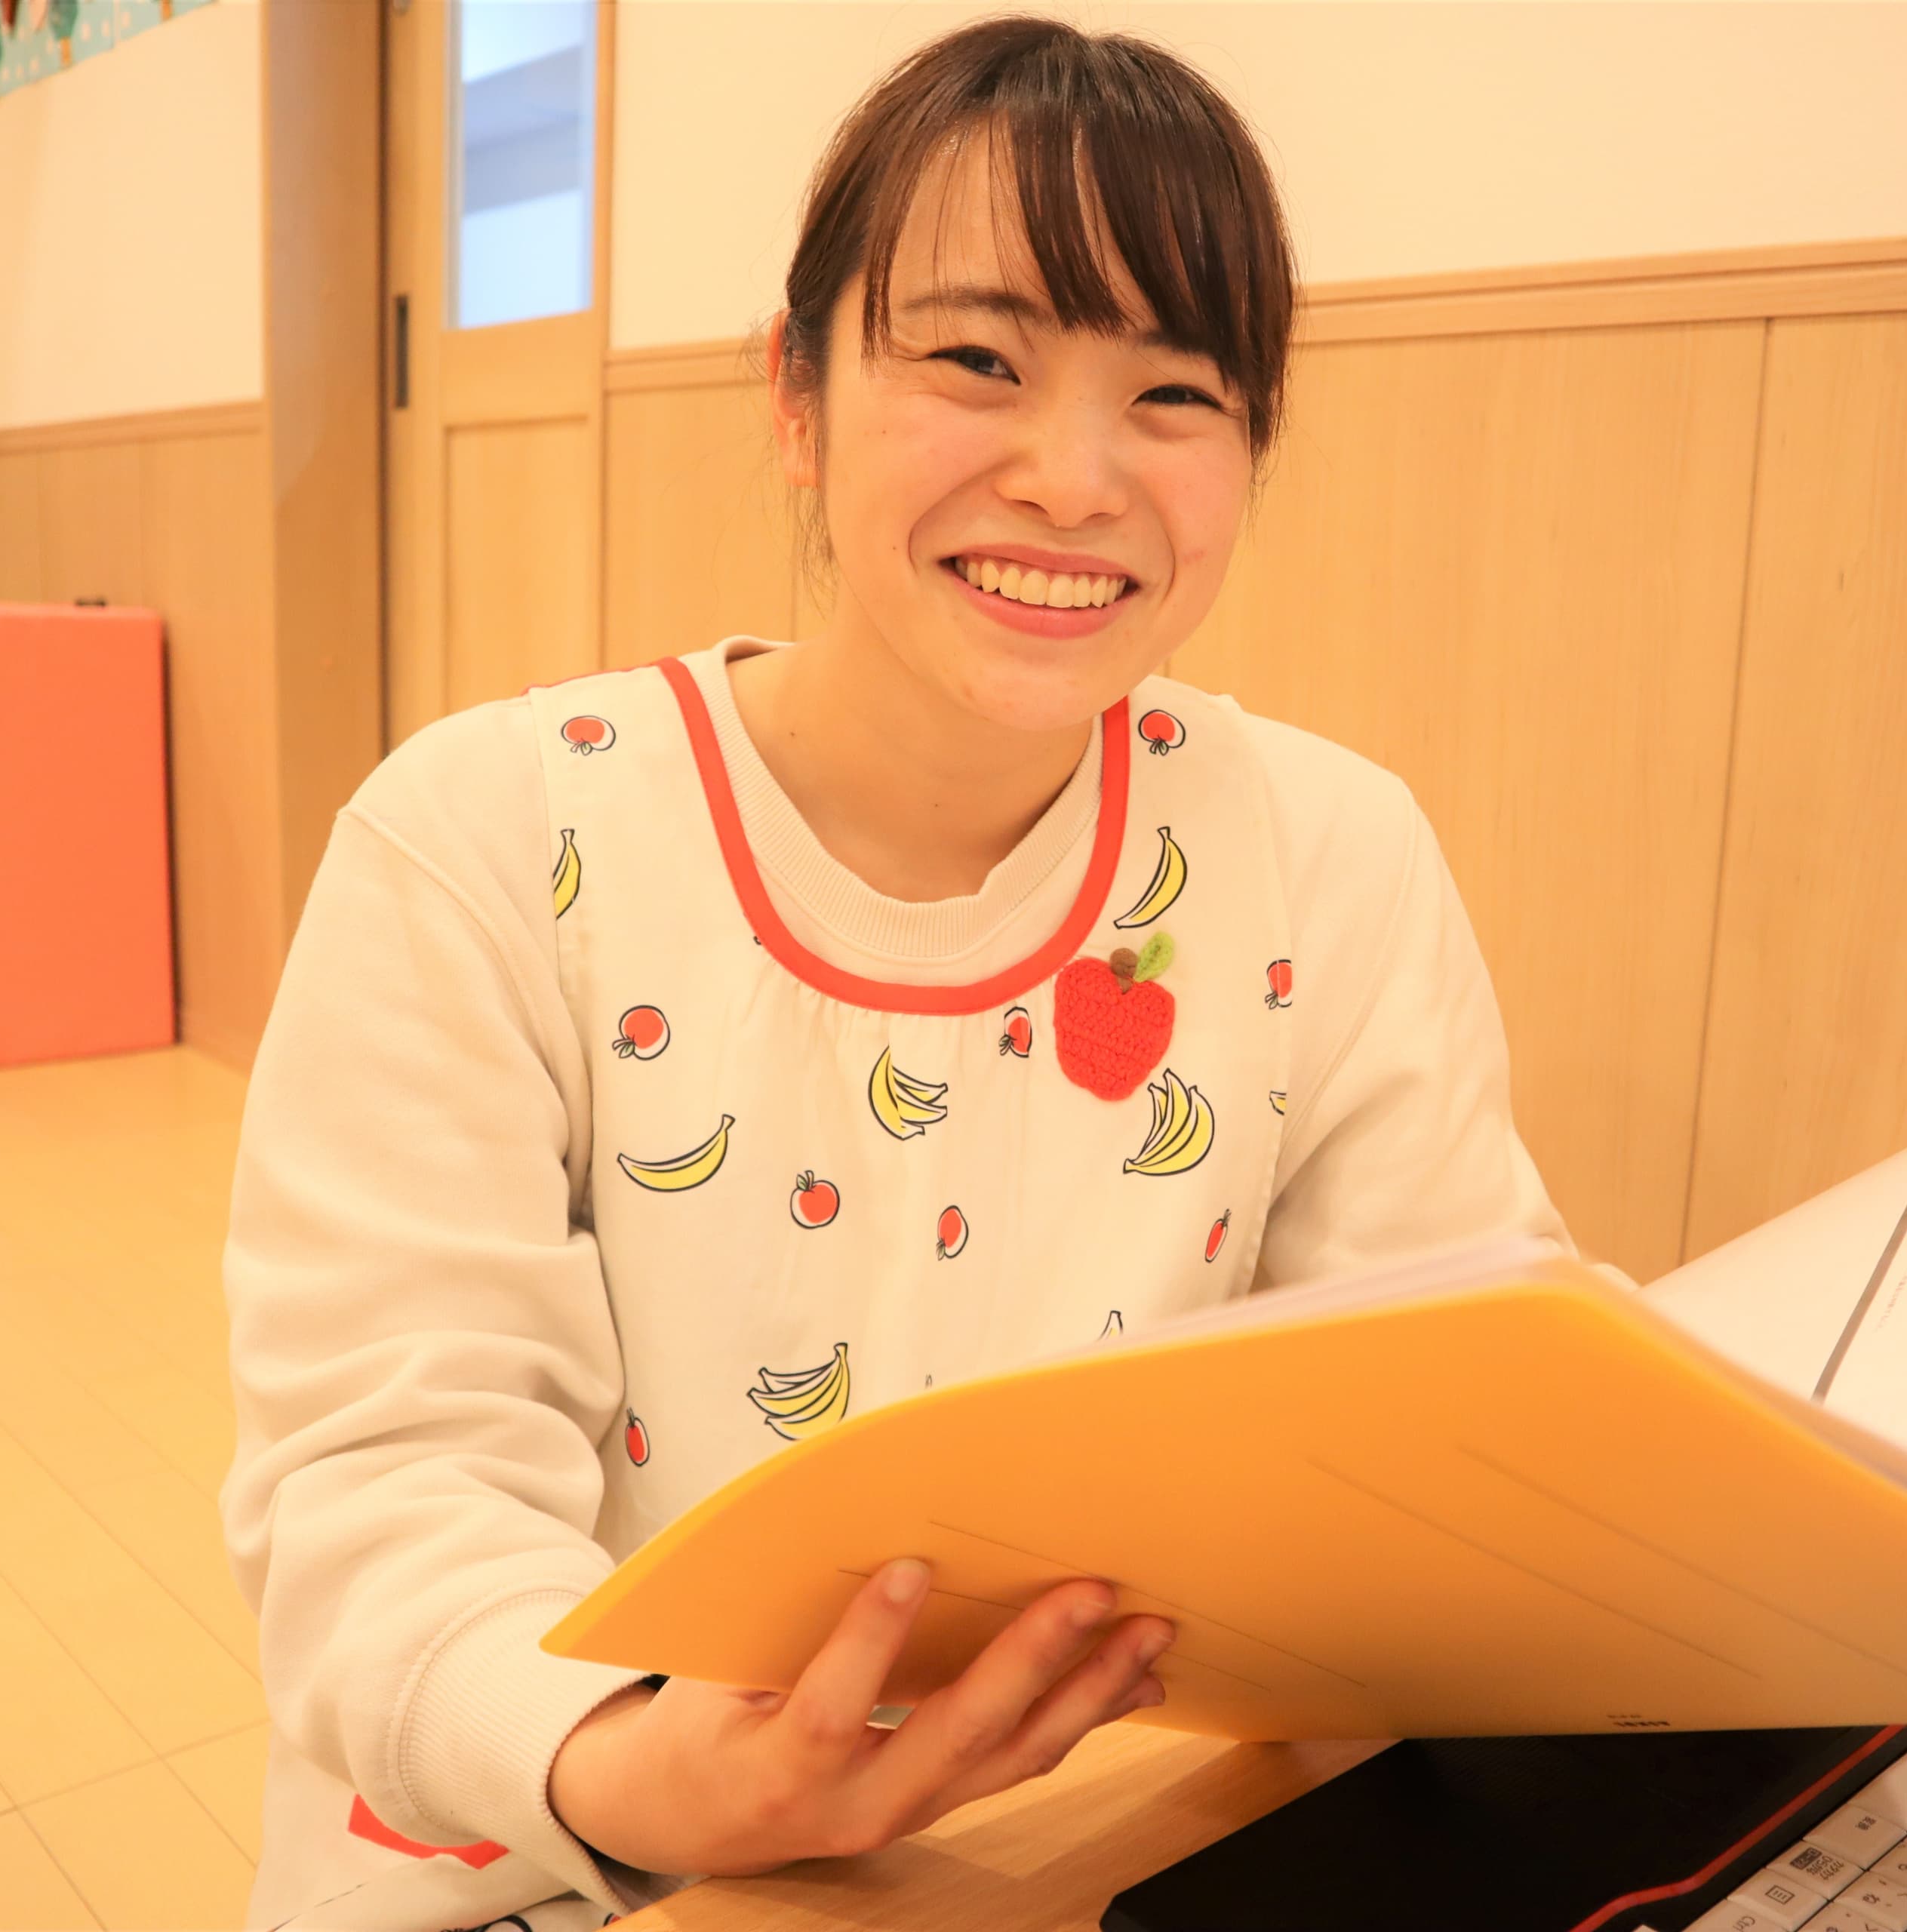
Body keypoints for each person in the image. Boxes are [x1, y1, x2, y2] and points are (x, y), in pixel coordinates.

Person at [221, 17, 1599, 1927]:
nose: (1073, 478)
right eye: (976, 361)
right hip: (566, 1856)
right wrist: (644, 1765)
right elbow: (382, 1483)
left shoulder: (1329, 854)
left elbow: (1452, 1389)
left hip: (1097, 1848)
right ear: (796, 394)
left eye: (1175, 393)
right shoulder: (486, 842)